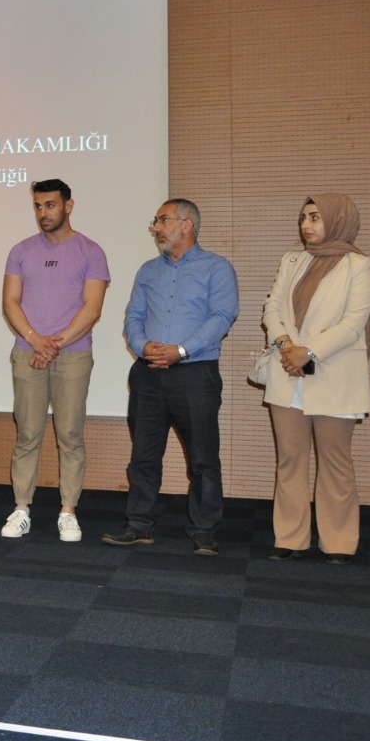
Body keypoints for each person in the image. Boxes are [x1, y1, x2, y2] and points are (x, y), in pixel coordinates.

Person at [103, 199, 238, 554]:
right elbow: (133, 317)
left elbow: (222, 316)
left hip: (195, 374)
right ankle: (139, 524)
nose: (156, 228)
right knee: (143, 456)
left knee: (203, 457)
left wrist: (181, 350)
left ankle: (204, 529)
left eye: (163, 220)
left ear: (187, 224)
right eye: (155, 221)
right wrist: (142, 345)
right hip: (148, 374)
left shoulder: (216, 268)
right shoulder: (148, 270)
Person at [259, 194, 370, 565]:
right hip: (287, 371)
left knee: (335, 461)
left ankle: (339, 541)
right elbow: (272, 307)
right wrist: (286, 346)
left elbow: (353, 323)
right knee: (290, 460)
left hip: (334, 374)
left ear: (337, 220)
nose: (306, 225)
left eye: (315, 217)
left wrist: (307, 352)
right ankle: (290, 537)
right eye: (303, 218)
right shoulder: (291, 260)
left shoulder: (358, 264)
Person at [0, 180, 110, 542]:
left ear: (68, 206)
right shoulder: (21, 250)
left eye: (50, 205)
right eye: (38, 206)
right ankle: (21, 508)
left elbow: (92, 309)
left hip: (72, 355)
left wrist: (54, 344)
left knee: (70, 435)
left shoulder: (91, 251)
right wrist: (35, 341)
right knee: (27, 434)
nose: (43, 213)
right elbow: (10, 302)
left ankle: (68, 511)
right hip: (27, 352)